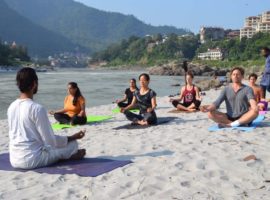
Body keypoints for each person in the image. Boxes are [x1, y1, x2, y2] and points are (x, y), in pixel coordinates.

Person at [7, 67, 86, 170]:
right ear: (34, 83)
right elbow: (51, 142)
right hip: (33, 160)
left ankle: (64, 155)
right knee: (73, 145)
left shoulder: (11, 107)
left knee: (60, 144)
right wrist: (72, 137)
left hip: (14, 159)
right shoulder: (37, 108)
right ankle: (68, 156)